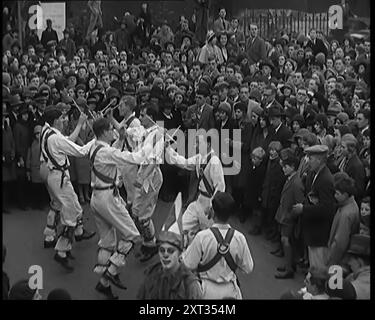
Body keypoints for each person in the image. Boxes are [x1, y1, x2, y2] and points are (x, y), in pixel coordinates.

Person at [89, 117, 148, 299]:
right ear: (105, 132)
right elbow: (134, 157)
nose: (113, 131)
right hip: (108, 198)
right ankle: (111, 272)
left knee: (107, 242)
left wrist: (121, 138)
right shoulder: (106, 151)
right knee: (132, 236)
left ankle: (103, 284)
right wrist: (152, 142)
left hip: (96, 197)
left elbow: (114, 149)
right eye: (111, 129)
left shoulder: (94, 146)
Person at [39, 106, 96, 271]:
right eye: (63, 119)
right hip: (59, 178)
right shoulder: (55, 138)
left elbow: (68, 140)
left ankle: (76, 234)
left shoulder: (47, 132)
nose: (65, 121)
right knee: (71, 212)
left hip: (54, 176)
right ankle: (61, 251)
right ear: (56, 120)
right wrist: (97, 139)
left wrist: (80, 124)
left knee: (72, 207)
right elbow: (80, 151)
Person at [182, 191, 254, 299]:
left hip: (205, 291)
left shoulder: (202, 237)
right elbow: (248, 268)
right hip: (230, 292)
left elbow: (188, 264)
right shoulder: (240, 238)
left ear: (213, 212)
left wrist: (187, 247)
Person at [165, 132, 225, 247]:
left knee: (210, 240)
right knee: (178, 228)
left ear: (208, 144)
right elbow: (184, 162)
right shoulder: (199, 158)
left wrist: (213, 206)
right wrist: (168, 148)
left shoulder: (215, 161)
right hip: (198, 202)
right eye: (196, 142)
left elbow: (220, 187)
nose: (196, 145)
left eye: (198, 142)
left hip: (209, 205)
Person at [292, 144, 336, 270]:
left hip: (319, 233)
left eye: (310, 158)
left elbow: (327, 209)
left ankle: (316, 288)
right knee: (313, 264)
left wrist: (304, 209)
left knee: (318, 267)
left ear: (319, 160)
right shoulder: (314, 174)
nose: (307, 161)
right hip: (312, 229)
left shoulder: (326, 180)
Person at [132, 105, 165, 262]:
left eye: (143, 115)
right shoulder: (145, 132)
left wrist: (142, 177)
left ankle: (150, 245)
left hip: (151, 178)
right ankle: (148, 240)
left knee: (143, 216)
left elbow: (154, 160)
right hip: (142, 173)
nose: (140, 117)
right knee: (136, 212)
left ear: (151, 117)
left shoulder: (158, 134)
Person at [137, 231, 202, 299]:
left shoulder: (190, 284)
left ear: (179, 254)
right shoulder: (151, 274)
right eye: (162, 250)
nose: (165, 255)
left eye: (170, 251)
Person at [274, 149, 304, 279]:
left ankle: (289, 268)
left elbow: (299, 204)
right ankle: (288, 264)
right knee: (285, 240)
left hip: (289, 218)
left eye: (285, 167)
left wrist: (290, 216)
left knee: (286, 241)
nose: (283, 169)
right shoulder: (291, 178)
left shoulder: (296, 183)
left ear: (292, 167)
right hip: (284, 215)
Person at [326, 173, 360, 267]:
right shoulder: (349, 206)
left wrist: (331, 260)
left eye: (337, 193)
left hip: (340, 260)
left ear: (345, 195)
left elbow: (340, 242)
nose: (334, 196)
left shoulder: (346, 213)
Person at [326, 234, 370, 300]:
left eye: (350, 260)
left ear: (360, 262)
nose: (348, 263)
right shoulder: (355, 275)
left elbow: (350, 291)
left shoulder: (366, 279)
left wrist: (333, 278)